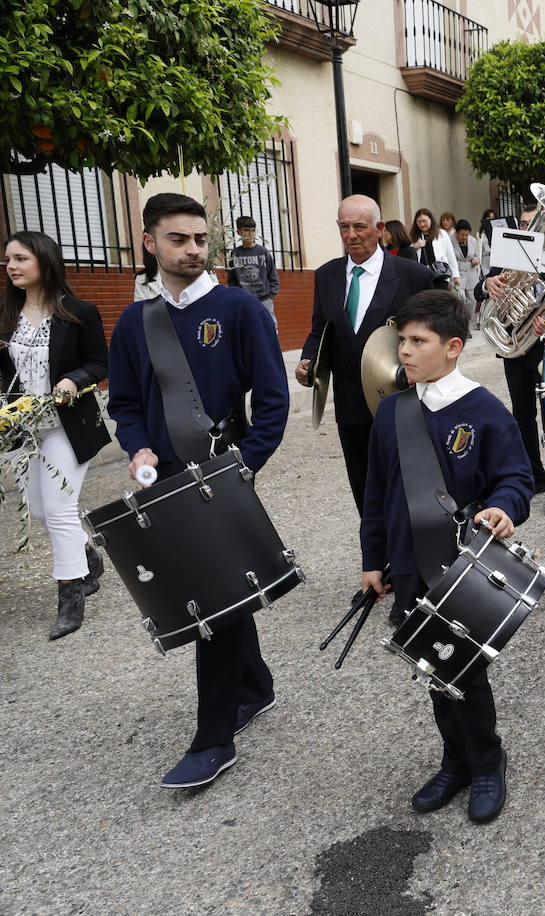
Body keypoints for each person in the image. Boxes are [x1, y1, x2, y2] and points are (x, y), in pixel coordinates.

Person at [106, 192, 291, 789]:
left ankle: (213, 738)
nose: (192, 249)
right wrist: (135, 447)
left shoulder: (237, 308)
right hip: (165, 485)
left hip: (220, 476)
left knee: (211, 601)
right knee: (224, 587)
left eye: (200, 239)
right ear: (149, 243)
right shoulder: (136, 321)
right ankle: (255, 686)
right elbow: (127, 404)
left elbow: (272, 398)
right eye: (178, 239)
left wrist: (246, 464)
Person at [360, 289, 533, 819]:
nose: (405, 352)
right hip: (412, 565)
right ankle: (454, 760)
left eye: (419, 341)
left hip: (465, 567)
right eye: (403, 341)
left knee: (467, 672)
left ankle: (485, 762)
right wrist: (373, 559)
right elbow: (375, 492)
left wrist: (504, 508)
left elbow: (517, 478)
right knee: (432, 667)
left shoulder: (483, 410)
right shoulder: (391, 411)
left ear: (453, 347)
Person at [1, 230, 110, 639]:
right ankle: (86, 557)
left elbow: (100, 363)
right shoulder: (4, 314)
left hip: (66, 425)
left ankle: (71, 595)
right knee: (42, 510)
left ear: (44, 262)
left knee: (61, 509)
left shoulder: (79, 311)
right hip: (20, 428)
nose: (11, 266)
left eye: (20, 259)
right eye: (8, 259)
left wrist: (72, 380)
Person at [296, 195, 435, 512]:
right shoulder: (326, 275)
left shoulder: (413, 275)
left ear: (379, 228)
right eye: (343, 227)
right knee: (365, 490)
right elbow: (320, 330)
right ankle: (378, 556)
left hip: (400, 403)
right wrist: (308, 361)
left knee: (408, 488)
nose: (351, 235)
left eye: (359, 226)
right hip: (350, 406)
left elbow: (437, 336)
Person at [473, 200, 545, 516]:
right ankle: (532, 475)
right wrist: (487, 284)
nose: (528, 229)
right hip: (514, 346)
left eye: (535, 223)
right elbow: (483, 291)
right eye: (523, 223)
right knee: (521, 414)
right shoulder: (505, 257)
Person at [226, 215, 280, 332]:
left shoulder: (263, 252)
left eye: (253, 230)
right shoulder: (235, 253)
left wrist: (270, 296)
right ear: (238, 232)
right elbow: (231, 279)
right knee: (247, 329)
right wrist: (238, 295)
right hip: (244, 300)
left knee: (269, 328)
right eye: (246, 230)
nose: (250, 234)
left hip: (265, 299)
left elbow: (272, 275)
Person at [411, 208, 458, 288]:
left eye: (424, 221)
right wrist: (415, 246)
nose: (422, 224)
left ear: (431, 220)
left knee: (439, 299)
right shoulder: (414, 237)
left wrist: (456, 275)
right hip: (421, 276)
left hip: (440, 274)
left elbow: (450, 255)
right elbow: (408, 254)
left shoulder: (441, 234)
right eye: (419, 222)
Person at [451, 218, 484, 313]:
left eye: (466, 234)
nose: (465, 237)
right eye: (462, 235)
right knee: (458, 300)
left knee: (473, 301)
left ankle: (469, 324)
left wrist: (476, 260)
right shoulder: (449, 240)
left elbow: (478, 256)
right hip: (458, 275)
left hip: (471, 275)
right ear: (456, 232)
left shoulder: (472, 240)